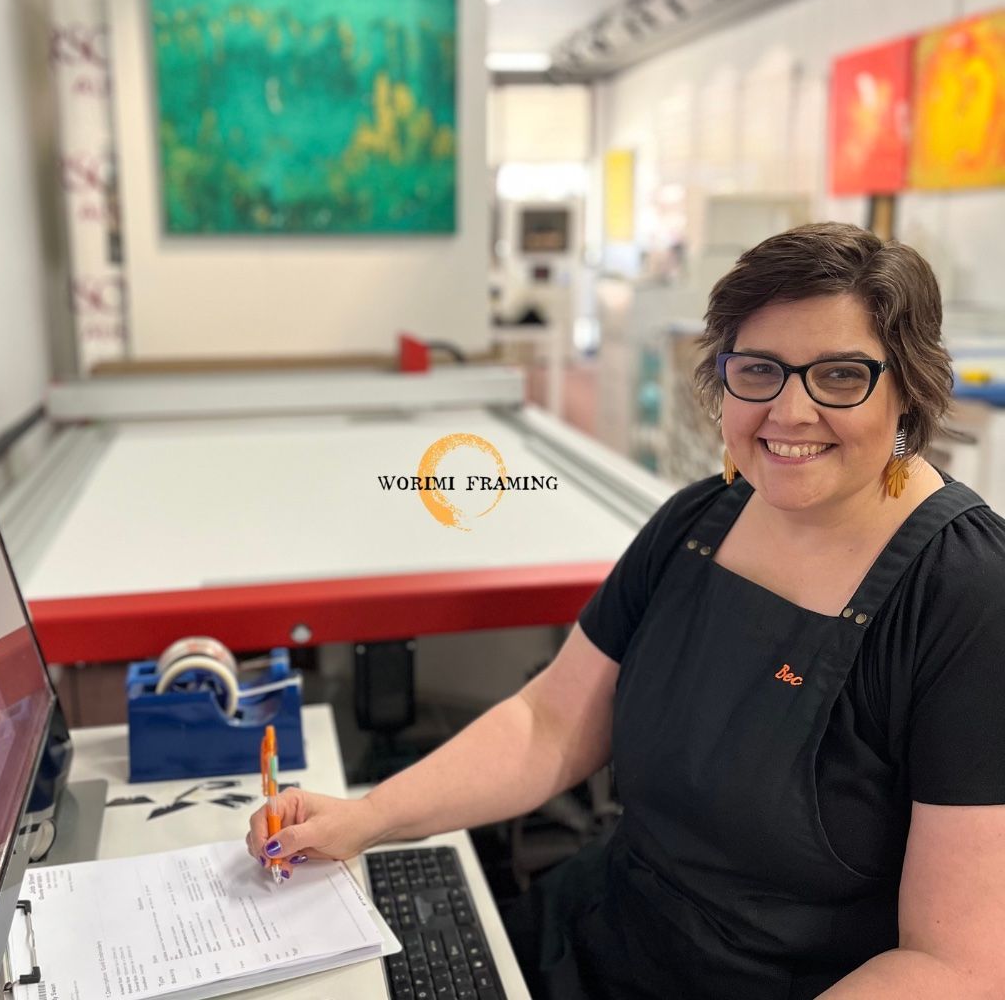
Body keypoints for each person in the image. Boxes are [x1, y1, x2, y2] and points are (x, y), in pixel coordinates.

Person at [247, 222, 1005, 998]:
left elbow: (956, 964)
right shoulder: (699, 523)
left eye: (841, 376)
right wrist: (364, 820)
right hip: (595, 936)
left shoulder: (966, 598)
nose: (790, 411)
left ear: (909, 384)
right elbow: (549, 722)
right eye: (759, 370)